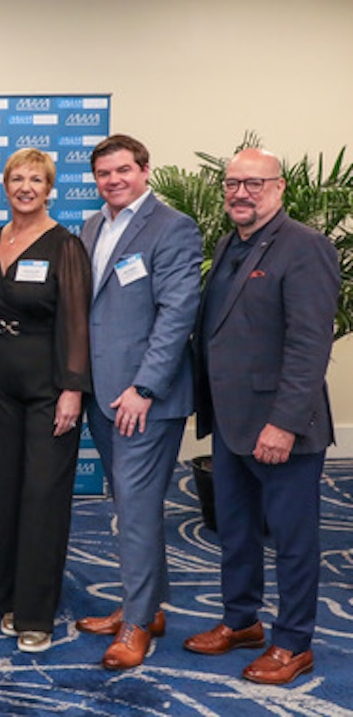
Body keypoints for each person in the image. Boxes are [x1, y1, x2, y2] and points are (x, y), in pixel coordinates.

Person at [184, 148, 339, 686]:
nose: (239, 193)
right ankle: (241, 620)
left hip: (280, 427)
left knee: (293, 539)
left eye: (253, 183)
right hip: (230, 423)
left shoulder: (305, 247)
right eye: (232, 183)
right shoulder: (232, 242)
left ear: (279, 188)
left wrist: (285, 422)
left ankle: (294, 642)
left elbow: (309, 342)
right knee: (238, 532)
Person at [74, 135, 202, 670]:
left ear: (145, 171)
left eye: (123, 171)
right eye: (104, 173)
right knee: (131, 508)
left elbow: (177, 313)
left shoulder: (172, 228)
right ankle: (143, 606)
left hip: (143, 399)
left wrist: (145, 387)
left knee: (137, 512)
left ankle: (136, 625)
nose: (113, 181)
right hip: (103, 396)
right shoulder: (92, 226)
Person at [0, 147, 91, 654]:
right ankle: (10, 600)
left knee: (42, 496)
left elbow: (77, 321)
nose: (25, 187)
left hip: (48, 384)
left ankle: (37, 613)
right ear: (4, 186)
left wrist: (72, 388)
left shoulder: (64, 244)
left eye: (35, 179)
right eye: (16, 178)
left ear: (49, 188)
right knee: (2, 491)